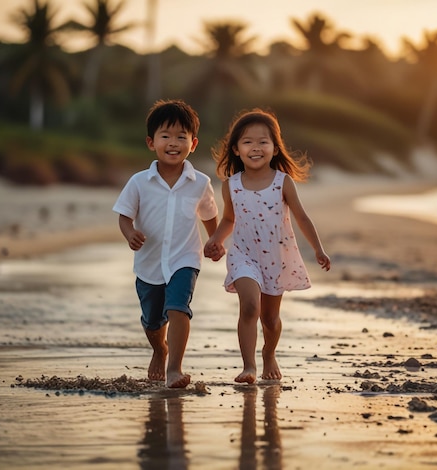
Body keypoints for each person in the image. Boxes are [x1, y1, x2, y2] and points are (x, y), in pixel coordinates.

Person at [204, 108, 331, 384]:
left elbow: (301, 217)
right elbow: (228, 219)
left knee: (271, 319)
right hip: (244, 256)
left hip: (275, 257)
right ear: (236, 149)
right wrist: (216, 239)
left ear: (275, 148)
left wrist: (319, 249)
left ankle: (269, 353)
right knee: (250, 307)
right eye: (248, 142)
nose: (256, 147)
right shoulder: (231, 186)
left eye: (264, 141)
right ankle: (248, 366)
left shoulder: (282, 182)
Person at [113, 99, 222, 388]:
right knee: (152, 321)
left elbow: (210, 216)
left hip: (184, 259)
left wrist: (215, 241)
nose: (173, 143)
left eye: (181, 137)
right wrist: (130, 233)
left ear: (193, 143)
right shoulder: (139, 182)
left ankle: (175, 368)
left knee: (178, 307)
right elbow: (124, 217)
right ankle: (160, 349)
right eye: (165, 136)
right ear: (151, 142)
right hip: (148, 263)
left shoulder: (200, 182)